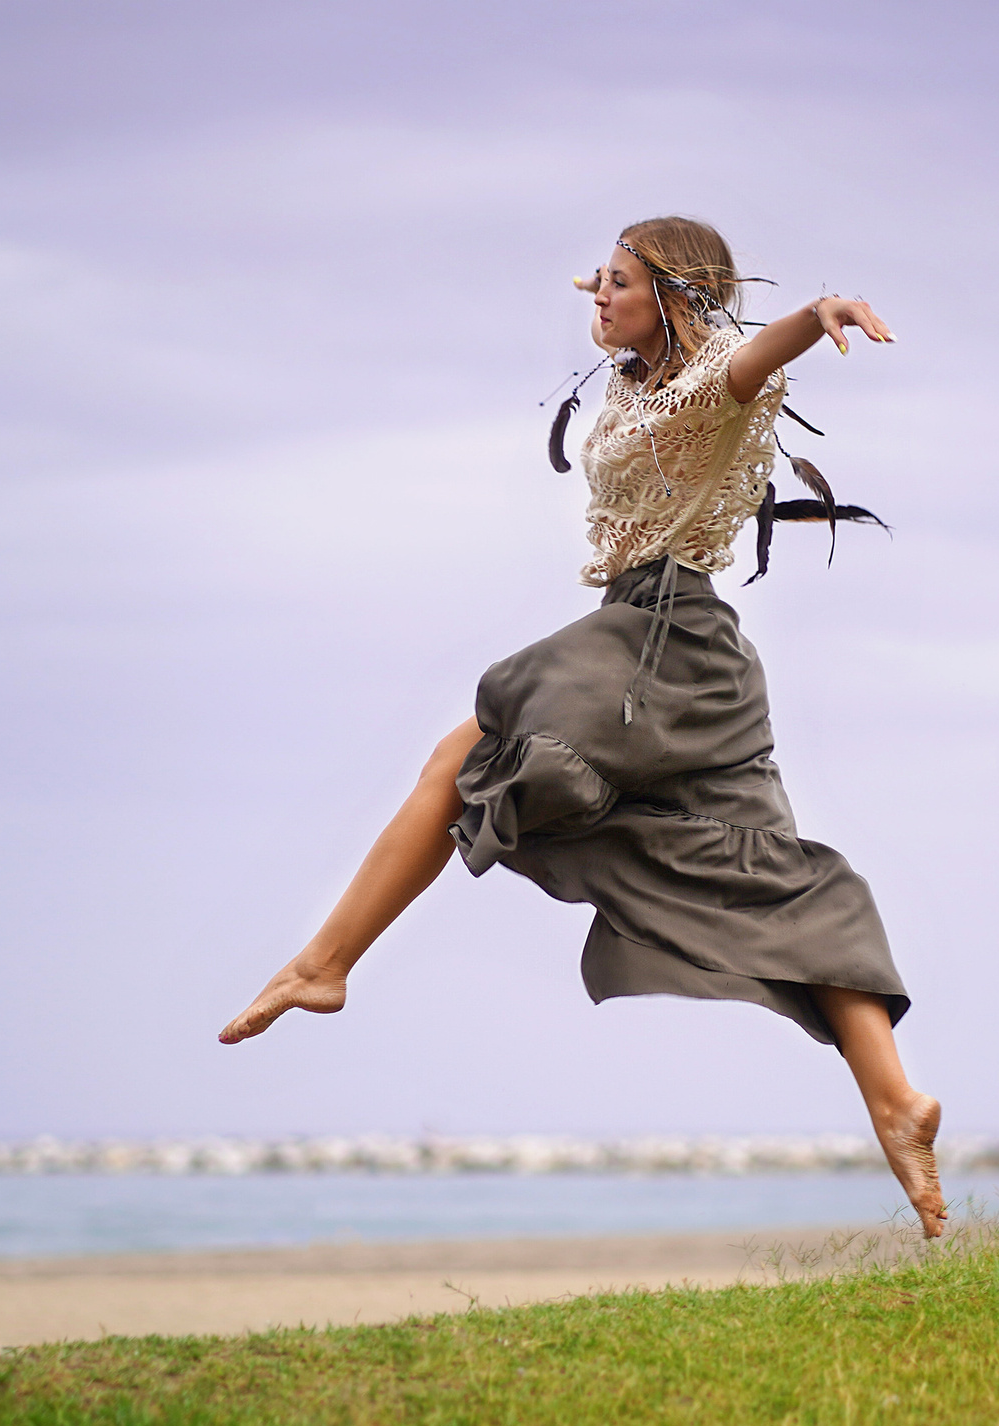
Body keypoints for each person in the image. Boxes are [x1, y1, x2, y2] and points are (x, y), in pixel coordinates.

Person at [219, 216, 945, 1238]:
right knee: (768, 872)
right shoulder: (630, 387)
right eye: (592, 282)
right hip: (685, 665)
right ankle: (895, 1104)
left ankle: (323, 965)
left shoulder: (710, 386)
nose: (594, 298)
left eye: (615, 283)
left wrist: (814, 314)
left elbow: (747, 362)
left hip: (658, 641)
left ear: (674, 299)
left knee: (469, 746)